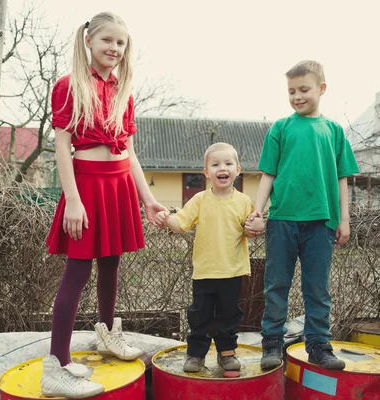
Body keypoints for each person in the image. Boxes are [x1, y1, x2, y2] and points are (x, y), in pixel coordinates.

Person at [41, 12, 167, 398]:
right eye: (107, 41)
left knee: (112, 262)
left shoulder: (124, 91)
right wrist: (74, 201)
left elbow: (128, 152)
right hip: (87, 188)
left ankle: (108, 333)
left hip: (118, 187)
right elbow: (62, 148)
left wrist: (147, 199)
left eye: (121, 43)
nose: (114, 49)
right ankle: (56, 365)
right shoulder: (69, 85)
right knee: (77, 273)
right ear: (89, 42)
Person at [246, 60, 359, 371]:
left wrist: (344, 219)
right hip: (282, 221)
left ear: (322, 89)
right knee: (276, 285)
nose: (297, 96)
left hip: (321, 223)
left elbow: (342, 178)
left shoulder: (334, 131)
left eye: (304, 89)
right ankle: (271, 344)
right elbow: (268, 174)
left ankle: (319, 346)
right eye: (291, 91)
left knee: (317, 289)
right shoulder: (281, 128)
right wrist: (259, 209)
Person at [155, 143, 265, 373]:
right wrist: (166, 218)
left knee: (229, 316)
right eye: (215, 164)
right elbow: (180, 224)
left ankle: (227, 354)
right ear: (206, 172)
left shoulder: (244, 202)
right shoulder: (199, 200)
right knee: (199, 316)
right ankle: (196, 354)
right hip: (204, 272)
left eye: (227, 164)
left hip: (232, 271)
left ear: (238, 169)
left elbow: (250, 230)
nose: (221, 168)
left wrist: (257, 226)